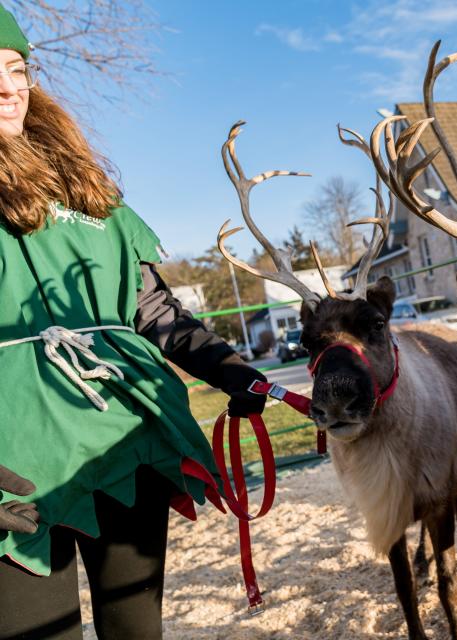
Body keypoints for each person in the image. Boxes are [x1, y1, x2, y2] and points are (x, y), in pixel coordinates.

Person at [0, 6, 268, 638]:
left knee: (137, 630)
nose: (7, 87)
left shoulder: (86, 189)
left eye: (15, 69)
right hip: (16, 461)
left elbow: (151, 310)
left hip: (124, 440)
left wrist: (234, 373)